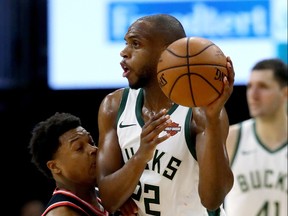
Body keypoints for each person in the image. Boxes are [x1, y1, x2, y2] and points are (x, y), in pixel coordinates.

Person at [96, 14, 235, 215]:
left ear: (169, 52)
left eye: (135, 44)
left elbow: (212, 200)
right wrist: (141, 156)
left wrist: (213, 121)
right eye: (126, 43)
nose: (124, 52)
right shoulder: (114, 106)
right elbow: (108, 200)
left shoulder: (200, 113)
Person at [224, 58, 288, 216]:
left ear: (285, 93)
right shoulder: (231, 138)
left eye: (263, 87)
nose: (253, 95)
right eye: (250, 86)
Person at [28, 112, 110, 216]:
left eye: (91, 142)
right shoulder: (62, 213)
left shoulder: (106, 195)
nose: (93, 149)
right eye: (79, 148)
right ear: (54, 166)